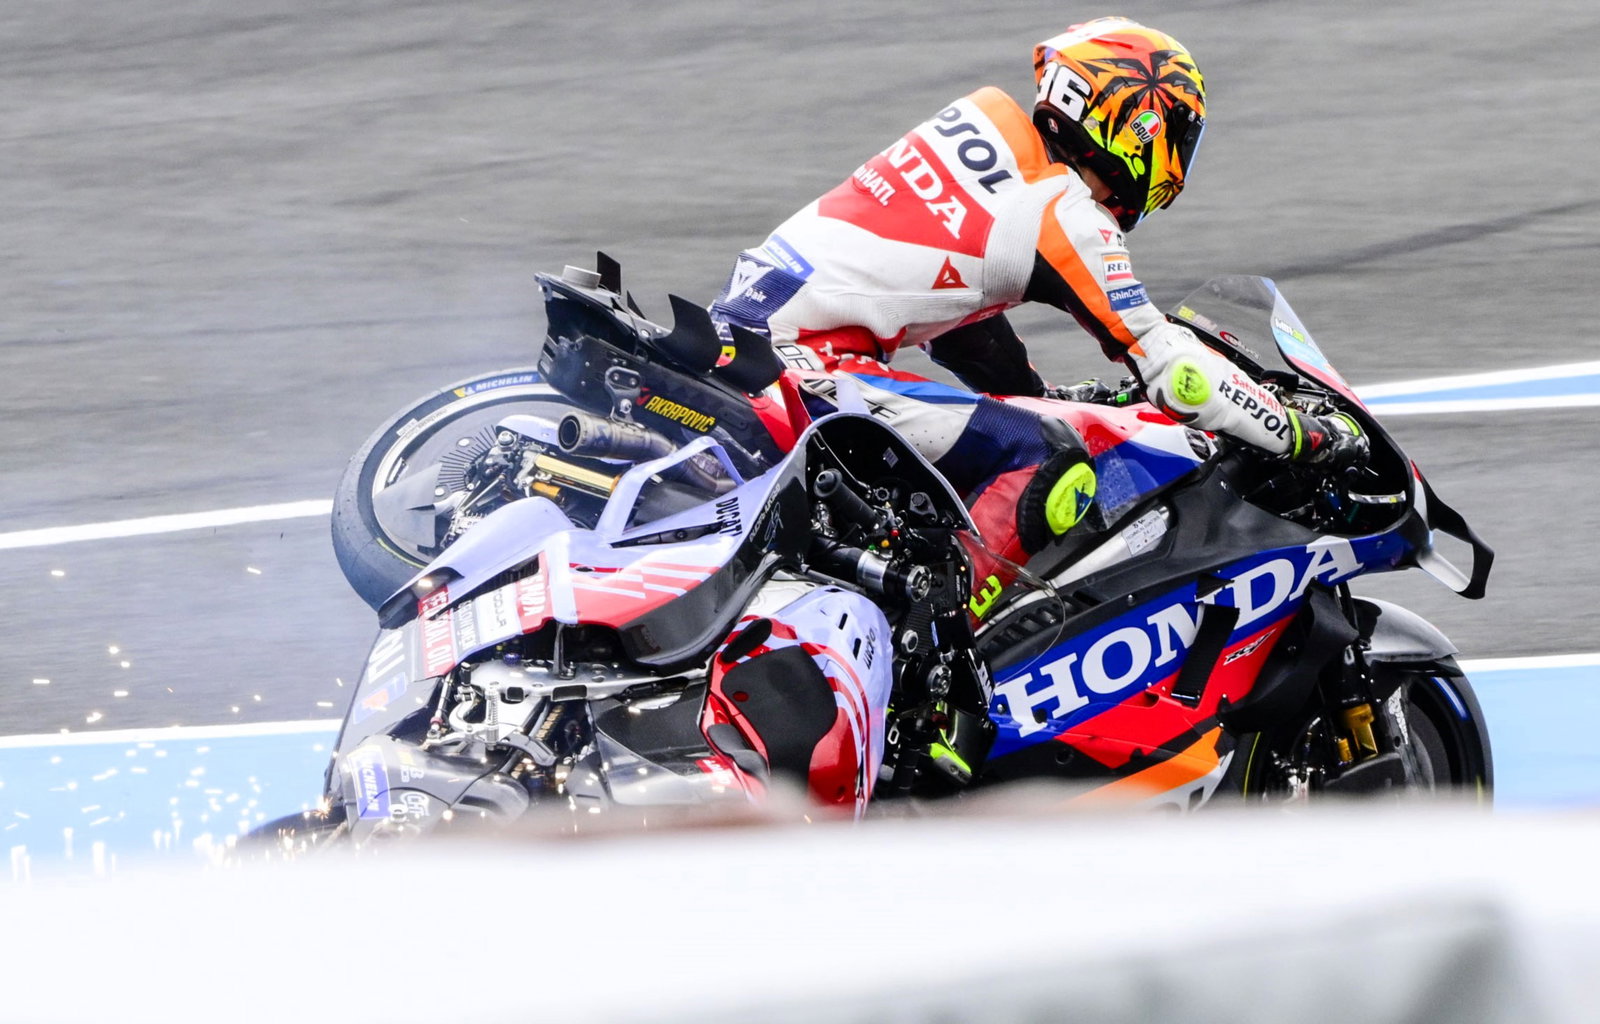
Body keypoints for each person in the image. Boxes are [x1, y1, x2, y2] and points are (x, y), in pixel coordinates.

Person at [710, 16, 1367, 567]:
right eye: (1175, 135)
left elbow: (964, 320)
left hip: (739, 340)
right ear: (1135, 121)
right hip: (804, 370)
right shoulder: (1065, 212)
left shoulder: (983, 124)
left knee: (1002, 432)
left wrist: (1036, 393)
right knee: (1055, 455)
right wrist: (1306, 437)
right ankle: (948, 662)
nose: (1176, 162)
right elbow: (1179, 373)